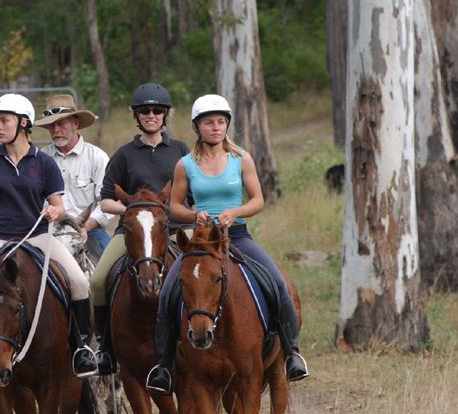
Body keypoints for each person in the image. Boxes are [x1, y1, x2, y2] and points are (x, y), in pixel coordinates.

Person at [145, 94, 309, 394]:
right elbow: (174, 207)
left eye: (221, 122)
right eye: (209, 123)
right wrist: (196, 214)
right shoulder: (185, 164)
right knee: (168, 291)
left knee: (277, 282)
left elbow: (258, 200)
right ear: (197, 127)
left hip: (237, 236)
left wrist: (236, 212)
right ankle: (164, 366)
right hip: (201, 241)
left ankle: (292, 352)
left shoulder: (241, 158)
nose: (216, 127)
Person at [0, 93, 100, 387]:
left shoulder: (44, 164)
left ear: (24, 123)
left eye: (4, 121)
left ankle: (81, 349)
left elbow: (59, 205)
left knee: (80, 283)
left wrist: (55, 210)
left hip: (38, 235)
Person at [89, 82, 190, 373]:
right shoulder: (123, 155)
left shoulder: (181, 150)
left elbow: (190, 194)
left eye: (157, 111)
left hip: (176, 228)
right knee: (97, 282)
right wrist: (138, 213)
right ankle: (106, 349)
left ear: (165, 115)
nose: (151, 115)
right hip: (132, 232)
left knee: (205, 273)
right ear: (136, 116)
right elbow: (106, 201)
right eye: (144, 111)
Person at [34, 93, 112, 254]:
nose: (56, 130)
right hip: (49, 231)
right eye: (51, 126)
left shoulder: (97, 157)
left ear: (75, 123)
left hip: (90, 231)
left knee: (111, 271)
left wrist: (86, 226)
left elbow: (106, 203)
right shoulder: (41, 158)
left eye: (61, 124)